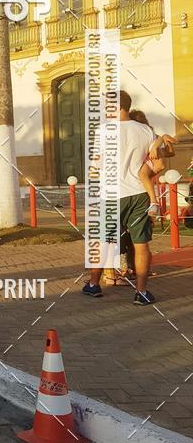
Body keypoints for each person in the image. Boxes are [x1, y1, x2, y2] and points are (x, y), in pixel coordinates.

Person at [82, 90, 163, 305]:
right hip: (139, 193)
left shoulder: (102, 131)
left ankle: (93, 285)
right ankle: (142, 292)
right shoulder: (145, 130)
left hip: (112, 195)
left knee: (103, 241)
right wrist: (158, 142)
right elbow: (158, 156)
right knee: (141, 244)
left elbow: (96, 166)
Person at [129, 109, 176, 217]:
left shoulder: (145, 132)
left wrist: (158, 144)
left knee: (142, 175)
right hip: (154, 161)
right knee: (143, 179)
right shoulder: (146, 132)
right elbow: (170, 153)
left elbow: (158, 138)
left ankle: (154, 201)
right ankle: (152, 208)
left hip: (152, 161)